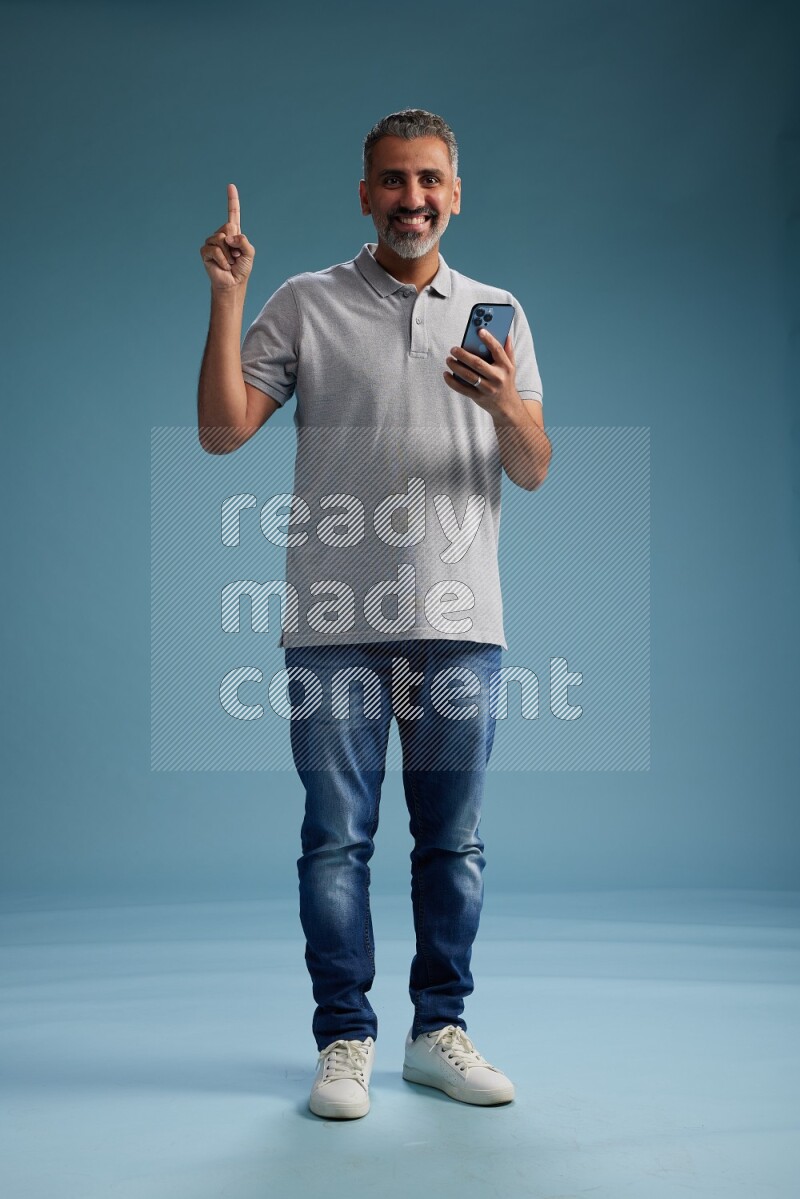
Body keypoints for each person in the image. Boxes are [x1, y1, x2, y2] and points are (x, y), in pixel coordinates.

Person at [197, 109, 552, 1120]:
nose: (411, 198)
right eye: (392, 181)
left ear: (454, 191)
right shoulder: (306, 301)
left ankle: (437, 1030)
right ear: (365, 194)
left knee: (454, 843)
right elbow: (224, 432)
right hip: (333, 622)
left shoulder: (496, 309)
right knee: (333, 842)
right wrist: (225, 298)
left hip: (458, 621)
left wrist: (506, 408)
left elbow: (530, 469)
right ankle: (343, 1037)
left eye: (429, 179)